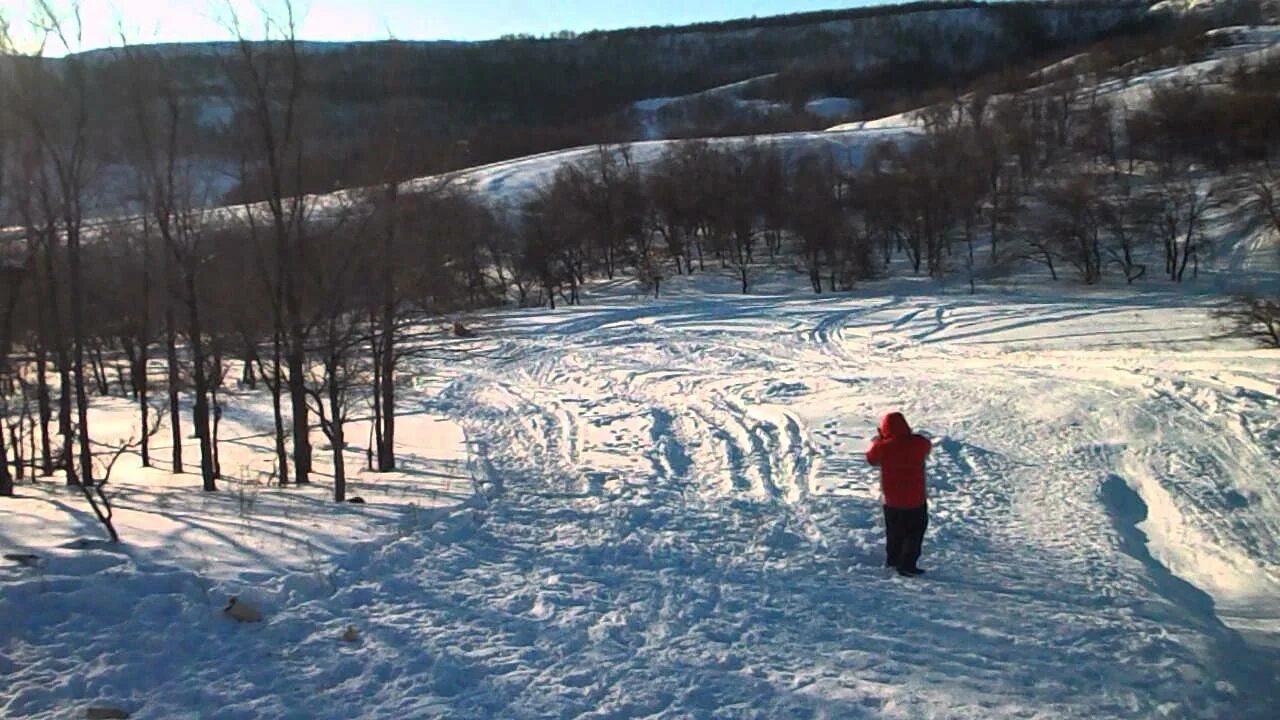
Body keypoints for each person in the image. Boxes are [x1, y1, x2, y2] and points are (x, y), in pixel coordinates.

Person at [866, 412, 932, 577]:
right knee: (915, 532)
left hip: (893, 500)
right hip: (916, 498)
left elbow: (871, 459)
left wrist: (880, 440)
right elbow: (927, 445)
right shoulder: (917, 443)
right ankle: (908, 564)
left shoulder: (883, 447)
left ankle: (893, 560)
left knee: (894, 531)